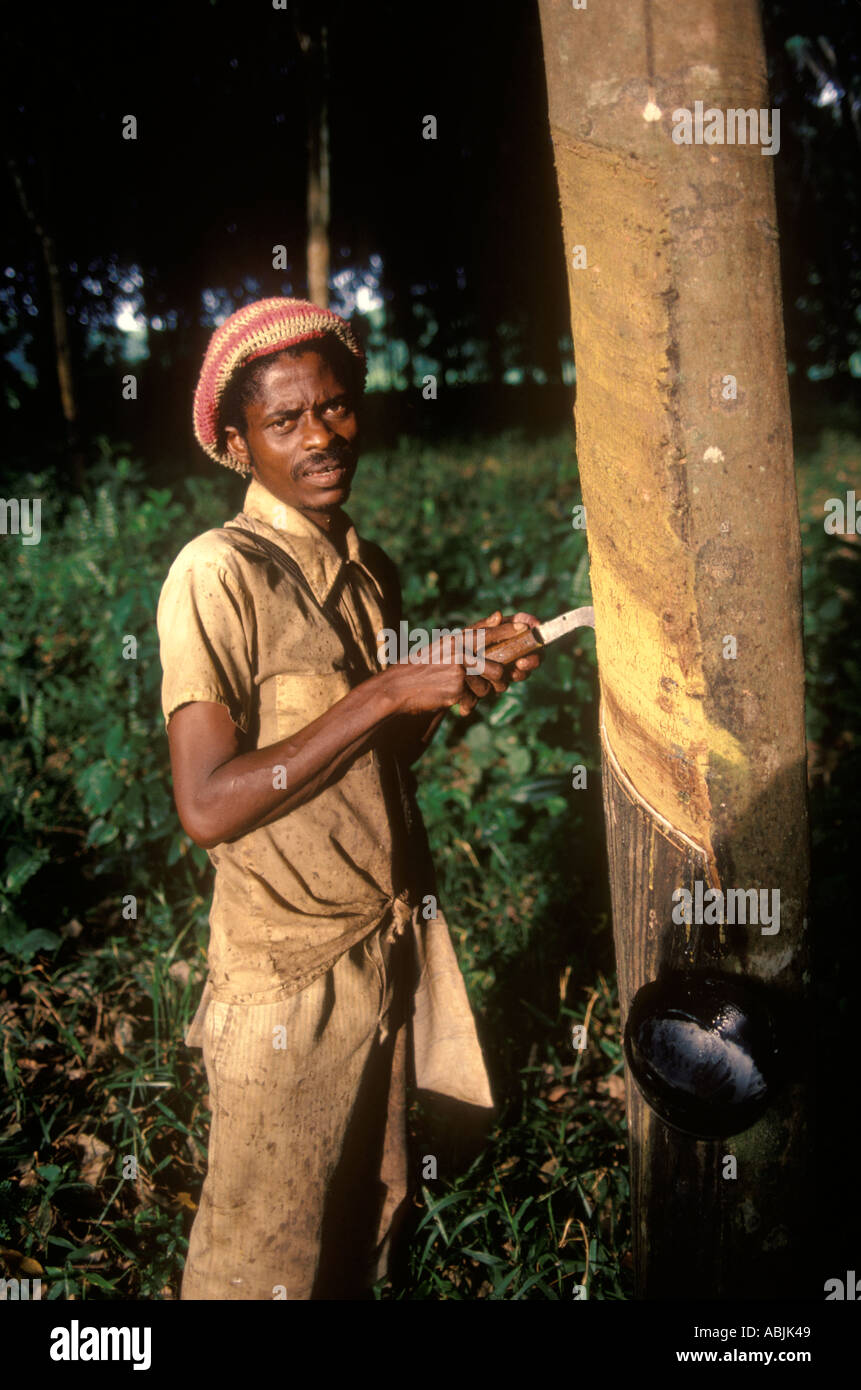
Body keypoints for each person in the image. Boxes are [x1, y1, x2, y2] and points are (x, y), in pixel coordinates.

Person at [157, 297, 541, 1299]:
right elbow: (206, 804)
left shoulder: (369, 573)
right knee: (263, 1260)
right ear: (237, 444)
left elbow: (366, 756)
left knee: (370, 1223)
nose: (321, 437)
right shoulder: (216, 575)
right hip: (287, 979)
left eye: (334, 408)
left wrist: (454, 675)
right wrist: (385, 689)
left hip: (384, 956)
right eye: (285, 421)